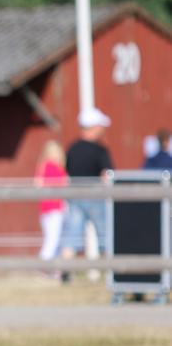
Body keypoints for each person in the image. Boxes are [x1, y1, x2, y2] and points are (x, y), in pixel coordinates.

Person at [61, 108, 114, 272]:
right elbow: (108, 175)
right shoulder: (100, 150)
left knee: (73, 234)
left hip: (75, 194)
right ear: (93, 127)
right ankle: (109, 270)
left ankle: (65, 271)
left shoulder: (72, 148)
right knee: (105, 233)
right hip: (95, 195)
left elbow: (67, 170)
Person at [34, 140, 67, 264]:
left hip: (46, 207)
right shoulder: (52, 167)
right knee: (53, 238)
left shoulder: (43, 166)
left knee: (53, 237)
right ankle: (44, 264)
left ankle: (52, 267)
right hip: (54, 206)